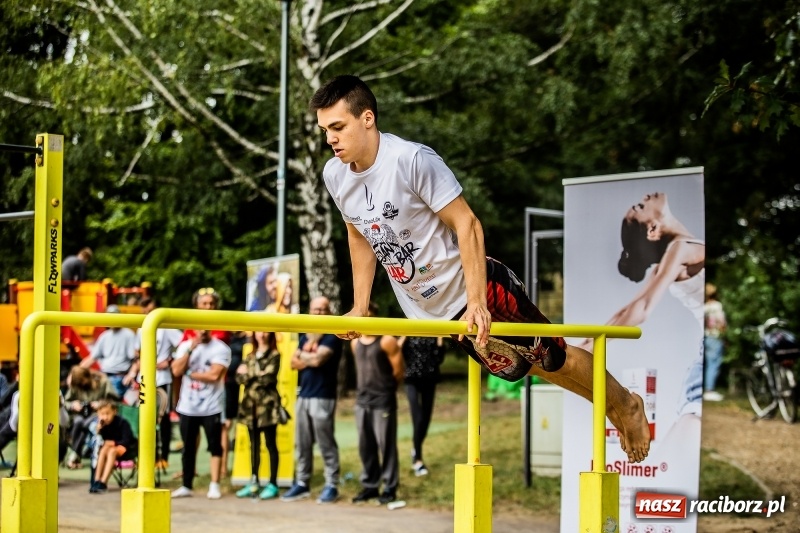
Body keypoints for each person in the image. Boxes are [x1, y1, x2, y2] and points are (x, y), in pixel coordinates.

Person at [310, 74, 651, 463]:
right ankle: (609, 404)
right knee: (533, 368)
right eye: (324, 130)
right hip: (437, 314)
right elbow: (359, 237)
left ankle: (625, 404)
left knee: (556, 355)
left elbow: (467, 223)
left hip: (476, 291)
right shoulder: (335, 175)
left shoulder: (411, 161)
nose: (330, 139)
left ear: (367, 118)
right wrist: (359, 306)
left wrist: (477, 303)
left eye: (338, 127)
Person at [577, 191, 706, 417]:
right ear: (653, 230)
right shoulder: (680, 249)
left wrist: (590, 343)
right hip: (712, 341)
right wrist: (589, 346)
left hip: (710, 341)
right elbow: (640, 308)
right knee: (691, 416)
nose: (646, 197)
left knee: (690, 414)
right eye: (640, 206)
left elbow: (631, 308)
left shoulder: (671, 257)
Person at [281, 296, 343, 504]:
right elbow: (292, 362)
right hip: (304, 395)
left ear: (329, 312)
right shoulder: (305, 337)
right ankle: (302, 483)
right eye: (315, 309)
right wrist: (309, 354)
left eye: (323, 310)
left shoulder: (333, 335)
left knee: (326, 443)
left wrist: (306, 356)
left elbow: (317, 360)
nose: (318, 313)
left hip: (323, 396)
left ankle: (331, 484)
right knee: (303, 443)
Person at [350, 302, 404, 505]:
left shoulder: (387, 341)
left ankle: (390, 487)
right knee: (366, 445)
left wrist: (387, 390)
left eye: (368, 316)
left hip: (383, 400)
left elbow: (398, 371)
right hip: (362, 401)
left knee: (386, 445)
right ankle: (370, 485)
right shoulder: (355, 342)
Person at [170, 329, 232, 500]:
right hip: (188, 405)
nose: (202, 331)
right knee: (188, 447)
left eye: (206, 328)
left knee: (214, 446)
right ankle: (186, 485)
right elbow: (176, 370)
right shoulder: (185, 347)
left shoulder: (221, 348)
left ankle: (214, 484)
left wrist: (190, 373)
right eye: (199, 328)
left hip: (211, 406)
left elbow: (214, 376)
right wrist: (191, 349)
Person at [131, 297, 183, 468]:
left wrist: (169, 360)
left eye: (150, 310)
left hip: (162, 379)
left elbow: (182, 343)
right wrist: (136, 370)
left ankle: (164, 457)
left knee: (164, 418)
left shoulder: (166, 328)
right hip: (145, 378)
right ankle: (148, 457)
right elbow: (137, 352)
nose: (147, 313)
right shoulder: (140, 328)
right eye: (145, 311)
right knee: (145, 418)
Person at [234, 331, 282, 500]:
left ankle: (273, 483)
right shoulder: (250, 354)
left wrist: (249, 372)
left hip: (268, 408)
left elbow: (267, 378)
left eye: (265, 331)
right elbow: (239, 378)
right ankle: (254, 481)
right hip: (250, 407)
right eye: (259, 331)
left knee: (270, 445)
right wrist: (256, 373)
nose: (262, 335)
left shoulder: (275, 355)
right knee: (253, 445)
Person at [399, 336, 445, 477]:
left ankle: (415, 447)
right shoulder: (409, 330)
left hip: (430, 378)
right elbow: (397, 350)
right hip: (411, 379)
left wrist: (440, 339)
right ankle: (417, 459)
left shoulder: (433, 330)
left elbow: (439, 359)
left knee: (425, 420)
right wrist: (404, 335)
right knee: (417, 418)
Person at [64, 366, 118, 469]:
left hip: (98, 415)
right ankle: (76, 455)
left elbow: (114, 402)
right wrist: (72, 405)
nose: (80, 385)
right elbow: (65, 402)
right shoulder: (77, 385)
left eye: (82, 382)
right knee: (78, 422)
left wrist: (100, 404)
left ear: (87, 377)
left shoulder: (103, 382)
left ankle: (74, 454)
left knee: (85, 424)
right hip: (80, 415)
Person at [80, 305, 138, 399]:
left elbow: (136, 359)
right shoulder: (104, 336)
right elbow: (92, 358)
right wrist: (75, 373)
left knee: (108, 404)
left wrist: (131, 375)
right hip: (104, 375)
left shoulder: (128, 335)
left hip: (119, 377)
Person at [89, 400, 138, 494]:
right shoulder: (102, 425)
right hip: (108, 450)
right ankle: (97, 480)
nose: (105, 417)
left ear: (114, 412)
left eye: (108, 413)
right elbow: (100, 441)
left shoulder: (123, 423)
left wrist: (113, 443)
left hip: (126, 449)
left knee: (111, 451)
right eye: (102, 414)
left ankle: (103, 482)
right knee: (103, 450)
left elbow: (127, 440)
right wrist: (99, 430)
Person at [703, 283, 726, 402]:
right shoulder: (717, 306)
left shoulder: (704, 307)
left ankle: (708, 389)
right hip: (715, 336)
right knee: (714, 364)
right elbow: (721, 322)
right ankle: (709, 390)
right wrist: (724, 336)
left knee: (708, 364)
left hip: (706, 337)